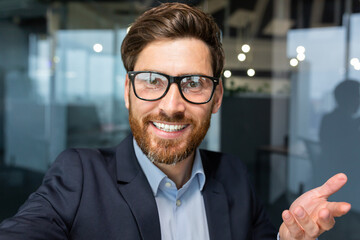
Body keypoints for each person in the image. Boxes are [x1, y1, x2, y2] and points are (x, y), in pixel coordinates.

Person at [0, 3, 351, 240]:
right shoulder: (78, 175)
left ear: (216, 98)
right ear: (128, 91)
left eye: (194, 83)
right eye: (152, 80)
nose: (171, 105)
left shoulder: (234, 176)